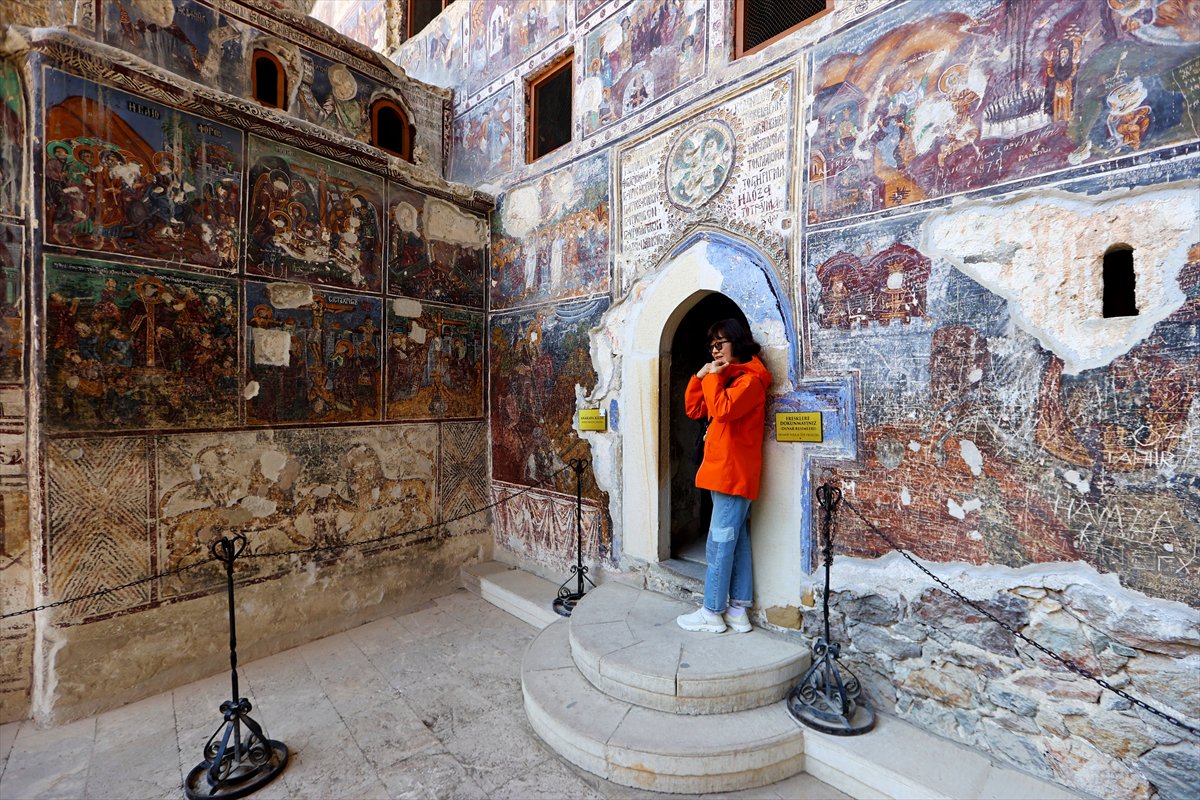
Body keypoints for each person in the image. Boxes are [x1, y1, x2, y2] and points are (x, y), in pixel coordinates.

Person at [677, 319, 772, 634]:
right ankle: (737, 610)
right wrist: (701, 376)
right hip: (725, 472)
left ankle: (711, 611)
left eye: (721, 343)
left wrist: (714, 378)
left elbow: (721, 410)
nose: (715, 349)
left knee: (719, 543)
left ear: (738, 342)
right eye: (712, 345)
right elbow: (694, 410)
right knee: (738, 540)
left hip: (732, 474)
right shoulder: (729, 379)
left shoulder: (750, 382)